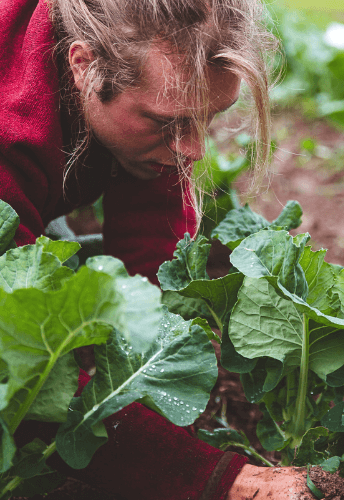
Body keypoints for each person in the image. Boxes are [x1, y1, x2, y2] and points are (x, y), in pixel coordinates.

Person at [0, 0, 313, 498]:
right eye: (167, 123)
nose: (193, 149)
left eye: (207, 118)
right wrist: (210, 479)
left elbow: (151, 250)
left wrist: (146, 373)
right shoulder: (10, 133)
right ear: (83, 65)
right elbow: (20, 372)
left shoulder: (145, 87)